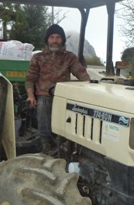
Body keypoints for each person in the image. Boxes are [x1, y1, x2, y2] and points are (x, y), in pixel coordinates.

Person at [25, 24, 90, 154]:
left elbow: (79, 71)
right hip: (44, 95)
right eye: (52, 37)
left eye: (58, 37)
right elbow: (30, 78)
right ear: (47, 40)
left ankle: (73, 144)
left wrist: (88, 83)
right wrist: (31, 95)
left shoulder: (69, 57)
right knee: (43, 106)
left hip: (64, 95)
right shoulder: (38, 58)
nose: (55, 40)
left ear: (62, 40)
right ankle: (46, 145)